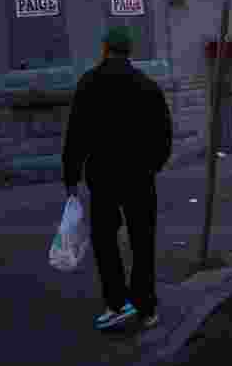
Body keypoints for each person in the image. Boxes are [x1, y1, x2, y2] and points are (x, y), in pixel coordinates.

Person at [62, 26, 173, 331]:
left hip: (103, 176)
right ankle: (146, 307)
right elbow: (164, 133)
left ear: (105, 49)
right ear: (129, 51)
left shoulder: (89, 84)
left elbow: (76, 135)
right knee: (142, 241)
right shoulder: (146, 85)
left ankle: (116, 303)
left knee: (105, 242)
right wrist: (153, 165)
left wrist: (71, 176)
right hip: (139, 176)